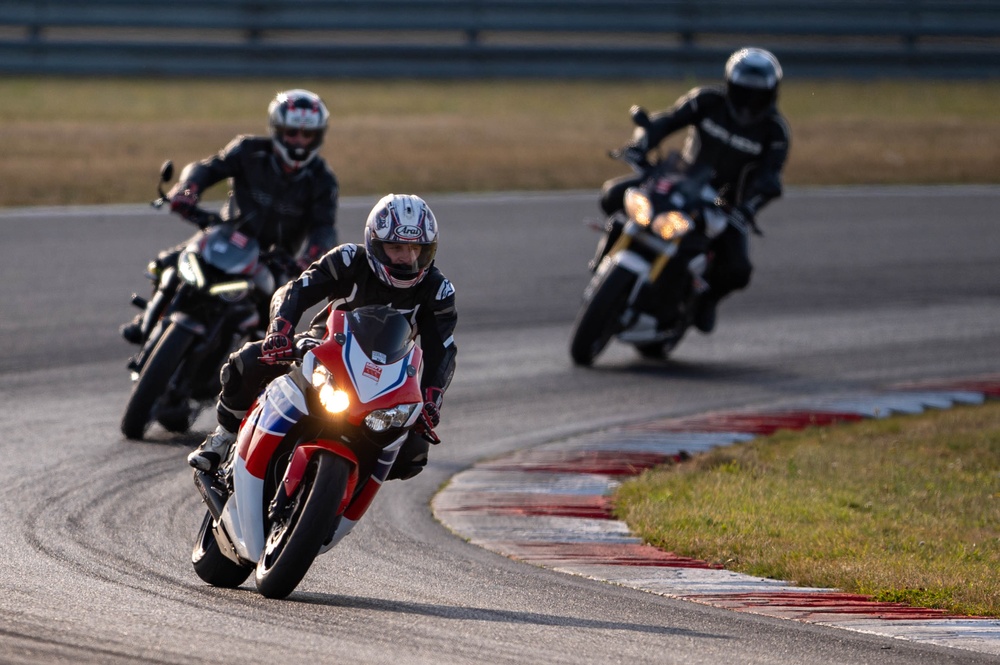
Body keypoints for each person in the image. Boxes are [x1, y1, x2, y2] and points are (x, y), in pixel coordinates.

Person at [187, 193, 458, 482]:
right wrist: (279, 330)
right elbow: (295, 290)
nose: (407, 259)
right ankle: (224, 437)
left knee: (413, 453)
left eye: (417, 249)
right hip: (323, 350)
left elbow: (442, 349)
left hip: (387, 377)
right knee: (248, 361)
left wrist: (432, 396)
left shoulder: (438, 290)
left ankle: (346, 492)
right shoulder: (348, 259)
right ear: (375, 244)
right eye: (395, 248)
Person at [121, 88, 340, 344]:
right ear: (278, 130)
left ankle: (244, 372)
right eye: (292, 132)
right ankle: (150, 317)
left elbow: (324, 227)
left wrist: (312, 255)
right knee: (167, 263)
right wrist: (187, 189)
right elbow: (208, 168)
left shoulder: (323, 180)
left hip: (276, 261)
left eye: (307, 134)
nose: (299, 141)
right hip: (228, 237)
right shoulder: (248, 150)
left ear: (318, 136)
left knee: (275, 321)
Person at [599, 47, 790, 334]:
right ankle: (607, 256)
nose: (750, 103)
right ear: (730, 86)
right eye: (743, 92)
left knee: (738, 270)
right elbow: (666, 121)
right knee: (612, 195)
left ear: (772, 94)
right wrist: (641, 144)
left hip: (725, 204)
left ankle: (707, 300)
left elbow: (769, 178)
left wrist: (748, 207)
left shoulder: (774, 132)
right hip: (681, 178)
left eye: (758, 95)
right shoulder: (707, 101)